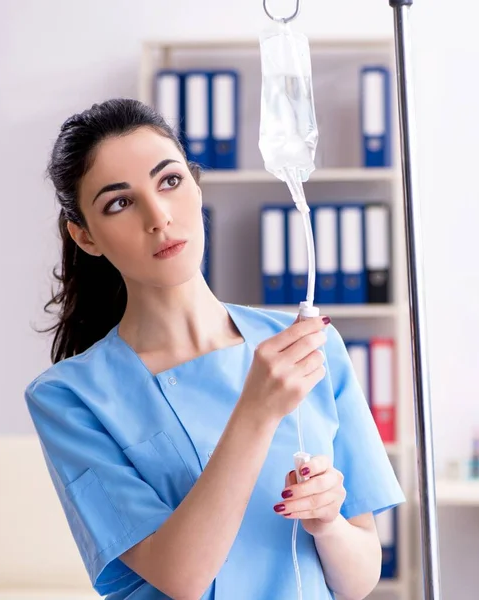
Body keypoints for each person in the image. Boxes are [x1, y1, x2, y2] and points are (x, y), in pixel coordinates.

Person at [25, 98, 405, 600]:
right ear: (86, 236)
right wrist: (256, 410)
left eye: (170, 181)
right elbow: (182, 577)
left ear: (196, 184)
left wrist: (328, 524)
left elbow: (358, 580)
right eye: (120, 202)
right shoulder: (69, 398)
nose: (158, 217)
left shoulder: (309, 347)